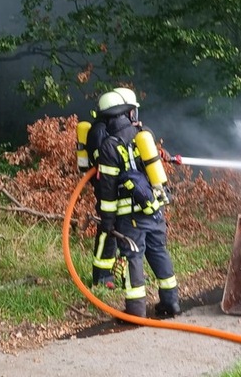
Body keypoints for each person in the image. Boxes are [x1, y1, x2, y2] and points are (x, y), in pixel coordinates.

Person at [95, 88, 182, 318]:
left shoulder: (109, 146)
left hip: (131, 217)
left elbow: (107, 190)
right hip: (154, 209)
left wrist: (107, 221)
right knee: (159, 251)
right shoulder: (144, 134)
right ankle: (171, 302)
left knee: (132, 257)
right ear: (128, 113)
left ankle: (135, 311)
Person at [85, 103, 120, 289]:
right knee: (108, 229)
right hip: (106, 187)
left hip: (114, 186)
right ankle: (101, 276)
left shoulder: (109, 128)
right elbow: (104, 162)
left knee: (122, 230)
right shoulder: (99, 131)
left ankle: (123, 272)